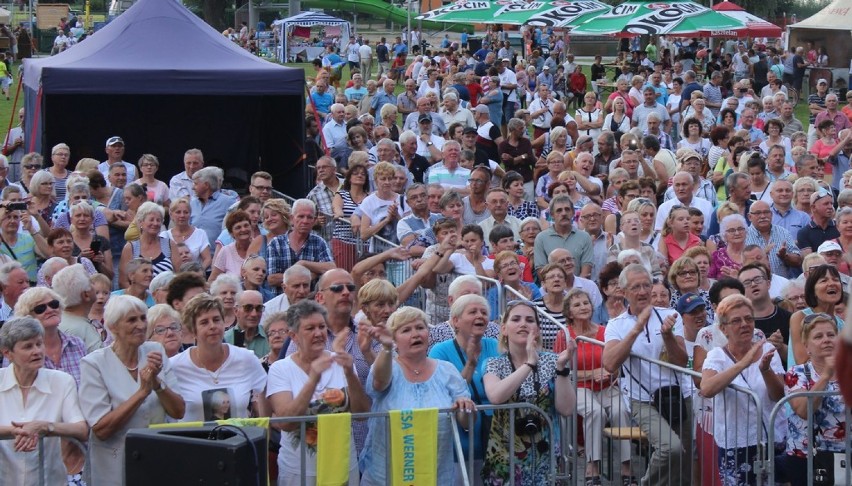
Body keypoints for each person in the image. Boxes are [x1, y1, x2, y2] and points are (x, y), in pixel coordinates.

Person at [359, 306, 475, 485]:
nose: (415, 334)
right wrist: (387, 348)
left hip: (435, 473)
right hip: (386, 475)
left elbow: (467, 422)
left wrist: (464, 407)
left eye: (420, 328)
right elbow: (379, 383)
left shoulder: (447, 370)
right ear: (395, 339)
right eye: (406, 330)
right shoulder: (387, 365)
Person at [79, 295, 185, 485]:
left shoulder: (155, 351)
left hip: (156, 461)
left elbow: (178, 411)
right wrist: (142, 392)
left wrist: (157, 385)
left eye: (143, 318)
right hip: (113, 468)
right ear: (113, 327)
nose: (141, 325)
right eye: (131, 320)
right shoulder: (94, 364)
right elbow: (101, 429)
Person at [603, 264, 690, 486]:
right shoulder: (615, 325)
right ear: (623, 292)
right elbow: (610, 364)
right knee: (671, 448)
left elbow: (681, 361)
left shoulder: (671, 315)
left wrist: (668, 336)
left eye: (646, 285)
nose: (642, 291)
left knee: (684, 461)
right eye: (635, 287)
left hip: (678, 394)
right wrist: (636, 328)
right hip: (642, 400)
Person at [267, 299, 369, 485]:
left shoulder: (341, 362)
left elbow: (362, 414)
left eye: (322, 327)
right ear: (294, 336)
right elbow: (286, 422)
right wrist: (313, 378)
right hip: (299, 471)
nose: (318, 333)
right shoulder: (280, 369)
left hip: (342, 466)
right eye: (310, 328)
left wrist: (349, 372)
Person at [480, 300, 576, 485]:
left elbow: (566, 409)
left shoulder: (553, 361)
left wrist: (561, 369)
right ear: (504, 329)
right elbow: (496, 396)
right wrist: (530, 363)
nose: (523, 323)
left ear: (538, 330)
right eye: (516, 319)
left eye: (530, 320)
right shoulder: (494, 363)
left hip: (545, 458)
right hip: (505, 461)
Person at [700, 294, 785, 486]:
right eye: (736, 321)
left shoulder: (768, 349)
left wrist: (765, 370)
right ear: (723, 328)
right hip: (737, 444)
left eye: (749, 318)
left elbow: (778, 395)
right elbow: (707, 389)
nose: (745, 324)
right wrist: (742, 364)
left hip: (772, 439)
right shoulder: (716, 356)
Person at [555, 288, 633, 483]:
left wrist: (611, 371)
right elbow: (560, 369)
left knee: (620, 410)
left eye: (586, 303)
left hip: (607, 386)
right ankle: (592, 466)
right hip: (578, 387)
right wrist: (591, 373)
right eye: (577, 304)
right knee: (594, 411)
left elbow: (617, 362)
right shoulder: (564, 335)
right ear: (569, 312)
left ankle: (626, 465)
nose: (583, 307)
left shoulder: (605, 331)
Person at [0, 317, 89, 486]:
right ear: (7, 353)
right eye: (28, 346)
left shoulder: (62, 381)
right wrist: (16, 431)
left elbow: (81, 429)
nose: (37, 351)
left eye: (39, 344)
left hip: (50, 480)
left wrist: (45, 427)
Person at [429, 294, 499, 483]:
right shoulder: (439, 351)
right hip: (459, 439)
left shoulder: (496, 346)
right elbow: (446, 394)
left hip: (496, 438)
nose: (480, 316)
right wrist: (470, 364)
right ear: (455, 321)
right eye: (473, 312)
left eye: (484, 312)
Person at [170, 293, 268, 422]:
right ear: (193, 330)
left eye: (216, 320)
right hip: (192, 440)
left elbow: (265, 393)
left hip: (239, 440)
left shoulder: (246, 358)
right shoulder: (175, 365)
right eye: (204, 322)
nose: (212, 326)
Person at [775, 313, 845, 485]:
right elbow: (804, 411)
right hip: (806, 456)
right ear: (807, 346)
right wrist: (826, 376)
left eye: (831, 335)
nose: (826, 340)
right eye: (818, 337)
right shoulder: (796, 373)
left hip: (845, 454)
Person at [788, 265, 845, 367]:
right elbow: (802, 360)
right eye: (824, 281)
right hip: (807, 380)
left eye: (836, 280)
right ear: (813, 290)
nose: (832, 283)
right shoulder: (800, 318)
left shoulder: (842, 325)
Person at [119, 202, 177, 289]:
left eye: (158, 220)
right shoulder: (130, 248)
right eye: (151, 219)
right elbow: (123, 281)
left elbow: (179, 275)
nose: (155, 223)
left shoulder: (169, 245)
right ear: (141, 222)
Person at [161, 198, 212, 272]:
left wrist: (198, 273)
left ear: (190, 214)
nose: (182, 215)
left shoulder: (200, 233)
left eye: (186, 212)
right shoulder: (164, 236)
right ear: (171, 215)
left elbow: (207, 259)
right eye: (178, 212)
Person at [224, 290, 269, 359]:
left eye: (258, 308)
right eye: (248, 308)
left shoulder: (270, 337)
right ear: (236, 311)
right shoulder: (225, 340)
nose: (254, 314)